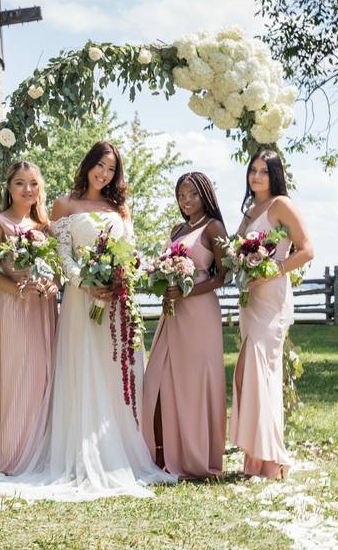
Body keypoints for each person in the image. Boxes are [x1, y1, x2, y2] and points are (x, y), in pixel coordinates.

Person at [0, 141, 175, 500]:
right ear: (87, 165)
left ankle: (118, 451)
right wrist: (85, 281)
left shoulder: (120, 208)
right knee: (83, 371)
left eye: (111, 169)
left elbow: (129, 251)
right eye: (99, 166)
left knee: (116, 371)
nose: (104, 174)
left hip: (116, 302)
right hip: (80, 302)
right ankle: (76, 452)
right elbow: (62, 255)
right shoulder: (63, 205)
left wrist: (118, 279)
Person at [230, 148, 314, 479]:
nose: (257, 176)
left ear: (275, 175)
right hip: (250, 298)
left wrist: (273, 269)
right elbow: (237, 249)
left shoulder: (281, 205)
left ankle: (271, 459)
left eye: (264, 171)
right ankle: (254, 457)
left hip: (272, 297)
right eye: (253, 170)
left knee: (261, 372)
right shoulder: (251, 210)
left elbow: (307, 249)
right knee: (248, 374)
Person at [142, 172, 228, 478]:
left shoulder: (213, 227)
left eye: (192, 194)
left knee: (194, 383)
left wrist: (189, 289)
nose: (186, 200)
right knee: (158, 378)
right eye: (181, 195)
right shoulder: (177, 229)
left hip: (200, 314)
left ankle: (196, 456)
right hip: (173, 313)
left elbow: (223, 276)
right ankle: (161, 452)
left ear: (205, 194)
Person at [0, 162, 58, 475]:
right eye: (20, 183)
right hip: (16, 307)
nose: (28, 190)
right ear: (9, 188)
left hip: (44, 309)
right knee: (18, 377)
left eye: (34, 184)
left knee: (43, 376)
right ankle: (13, 456)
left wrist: (53, 284)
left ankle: (40, 451)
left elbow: (58, 272)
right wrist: (17, 290)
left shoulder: (45, 226)